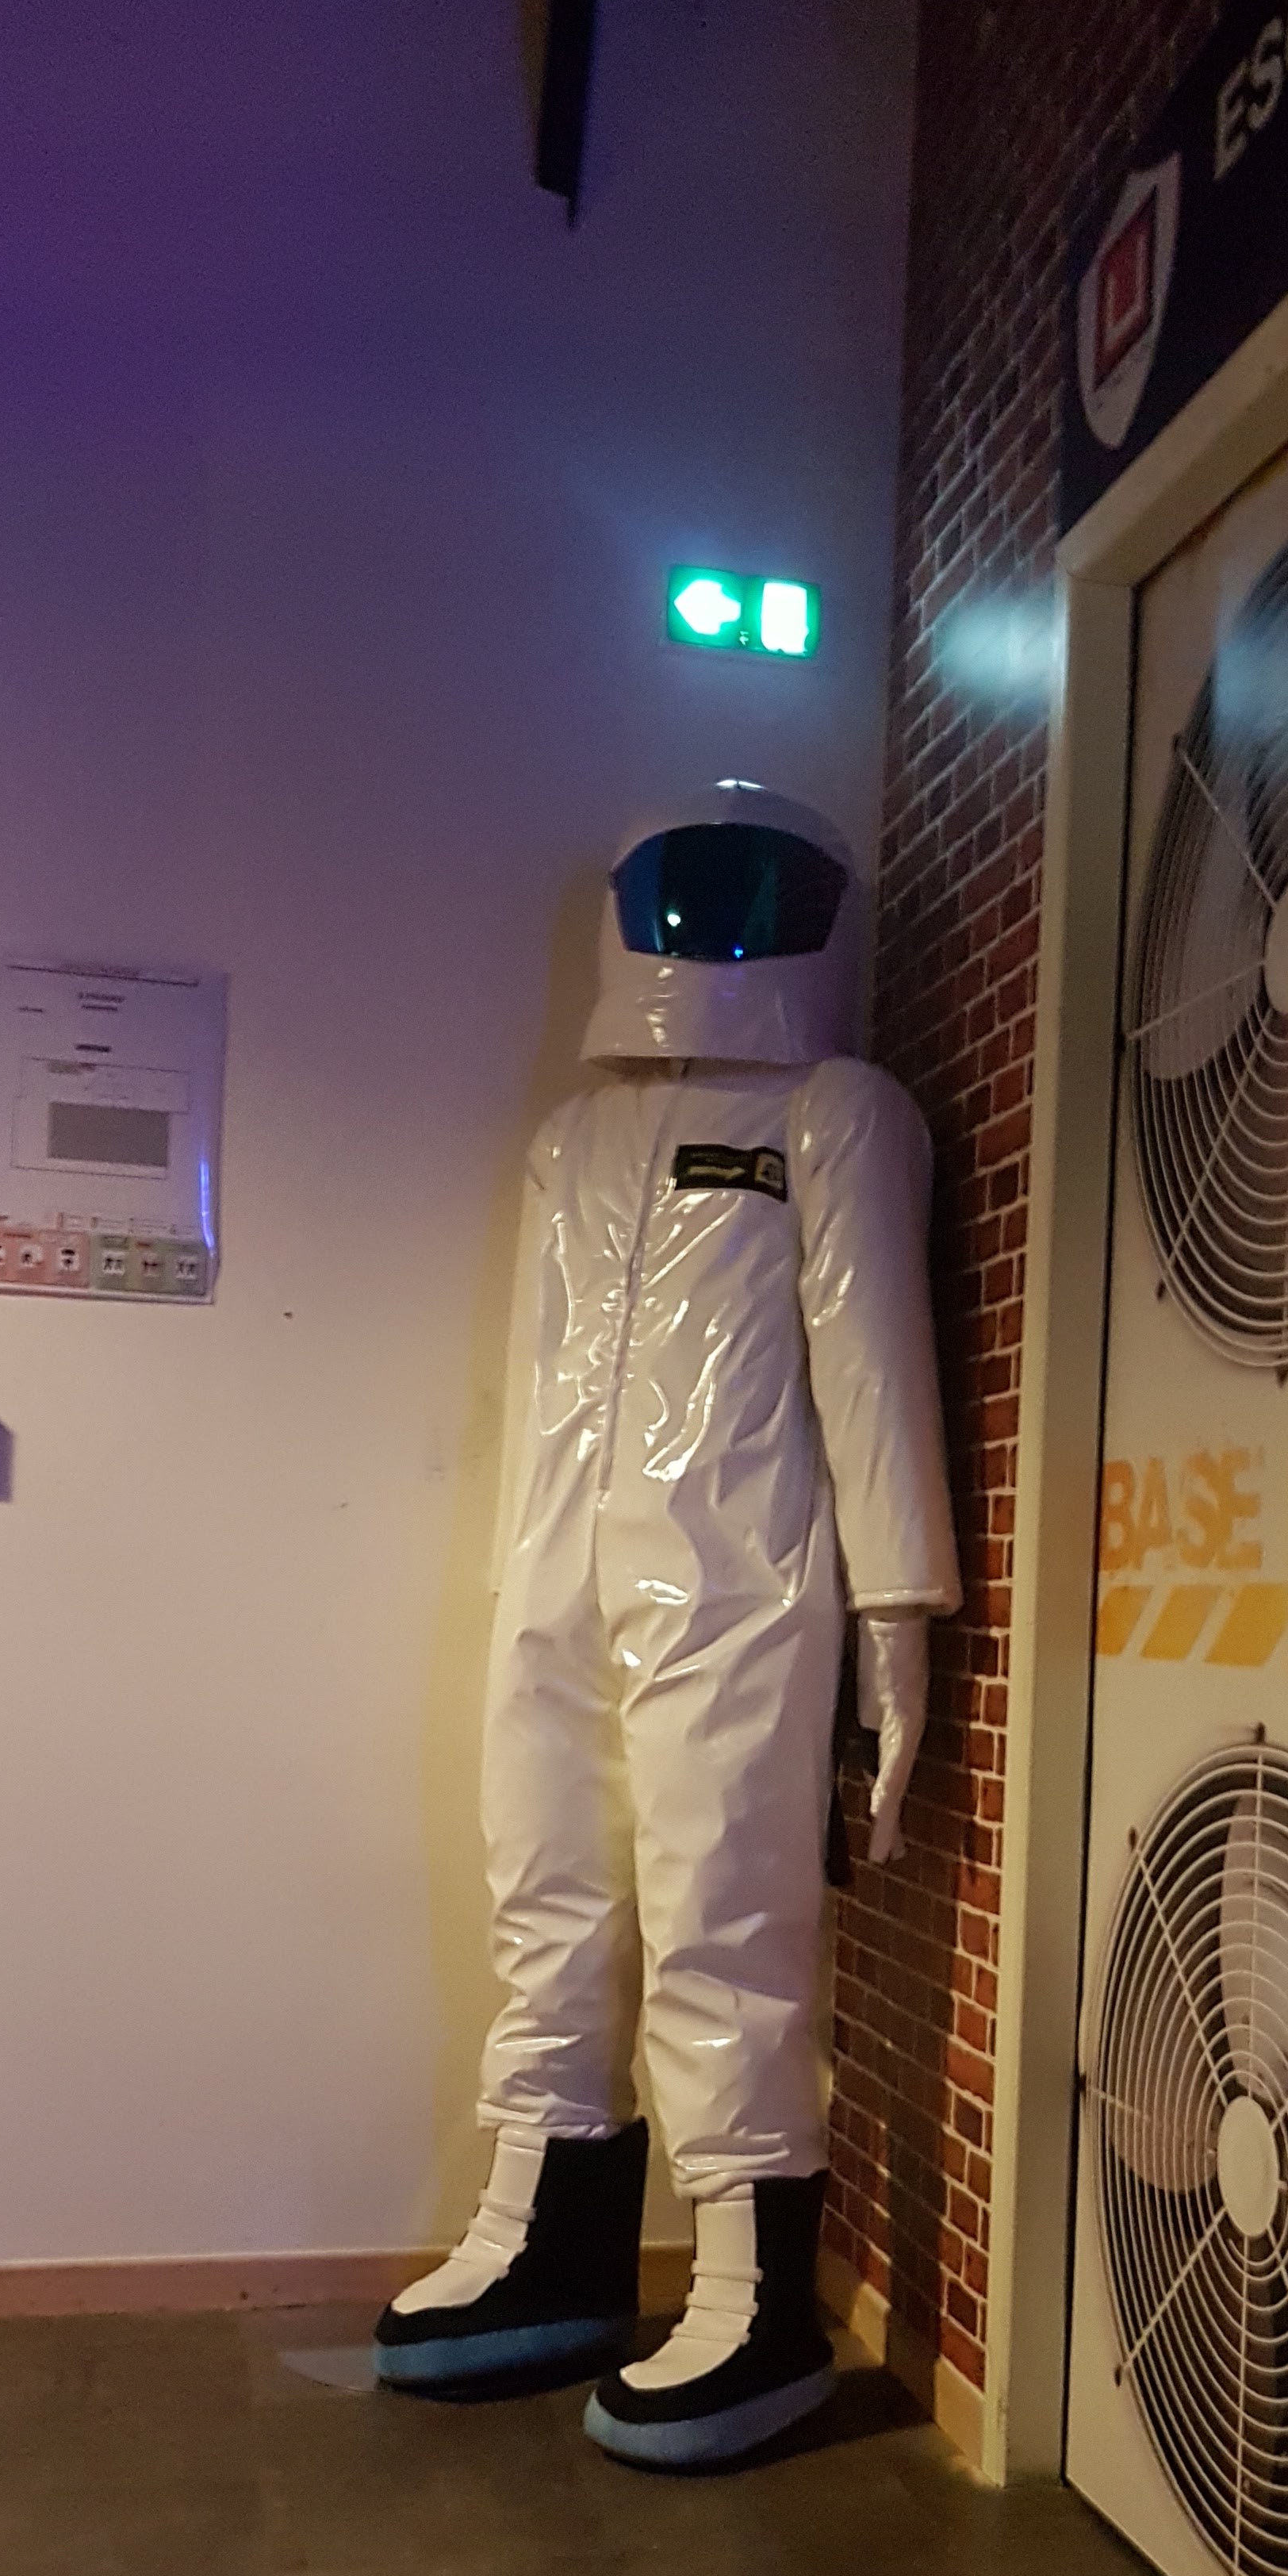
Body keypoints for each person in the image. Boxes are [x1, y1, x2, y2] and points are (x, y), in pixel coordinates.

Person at [374, 782, 960, 2467]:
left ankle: (752, 2295)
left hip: (738, 1582)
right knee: (542, 1887)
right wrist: (519, 1583)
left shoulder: (840, 1115)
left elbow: (876, 1374)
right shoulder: (575, 1139)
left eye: (742, 892)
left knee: (724, 1913)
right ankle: (546, 2241)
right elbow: (539, 1366)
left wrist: (896, 1615)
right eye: (688, 890)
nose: (711, 923)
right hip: (555, 1569)